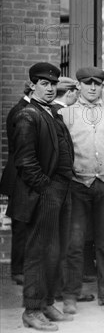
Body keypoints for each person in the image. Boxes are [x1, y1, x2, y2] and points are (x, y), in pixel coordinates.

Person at [60, 66, 104, 313]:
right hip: (77, 186)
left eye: (97, 84)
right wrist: (69, 178)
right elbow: (59, 152)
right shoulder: (66, 115)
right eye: (87, 83)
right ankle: (70, 294)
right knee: (75, 243)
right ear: (78, 86)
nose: (92, 88)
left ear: (102, 87)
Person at [13, 62, 74, 331]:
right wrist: (46, 188)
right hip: (45, 194)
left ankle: (47, 302)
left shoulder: (50, 113)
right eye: (44, 83)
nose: (50, 88)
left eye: (53, 84)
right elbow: (25, 162)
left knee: (55, 251)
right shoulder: (28, 115)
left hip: (60, 191)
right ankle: (33, 309)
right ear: (32, 85)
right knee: (39, 252)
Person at [0, 83, 32, 286]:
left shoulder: (24, 109)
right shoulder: (22, 111)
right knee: (20, 225)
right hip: (19, 174)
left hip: (21, 172)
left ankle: (21, 268)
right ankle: (18, 269)